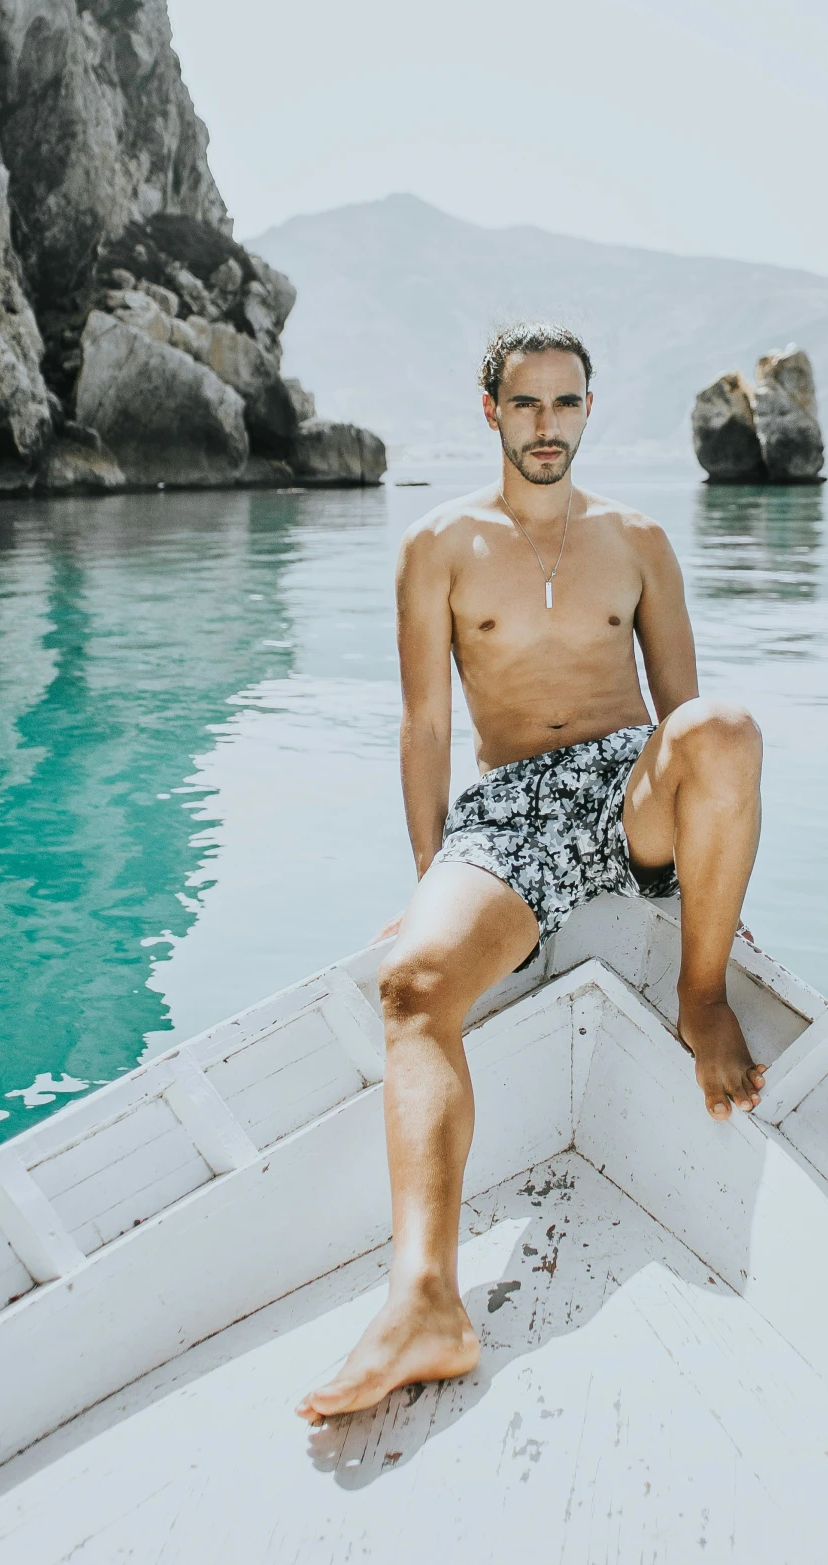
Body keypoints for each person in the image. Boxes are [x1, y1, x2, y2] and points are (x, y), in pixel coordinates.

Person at [298, 322, 765, 1424]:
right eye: (526, 405)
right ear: (492, 412)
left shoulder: (640, 540)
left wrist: (693, 849)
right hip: (508, 807)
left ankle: (701, 995)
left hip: (623, 782)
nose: (546, 426)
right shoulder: (437, 547)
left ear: (590, 409)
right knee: (413, 988)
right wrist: (428, 875)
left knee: (728, 729)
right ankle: (426, 1301)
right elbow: (422, 726)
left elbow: (682, 722)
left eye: (566, 404)